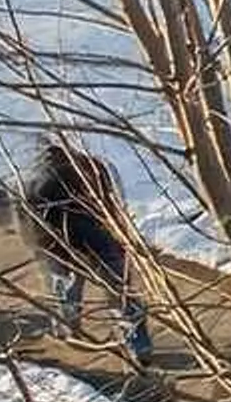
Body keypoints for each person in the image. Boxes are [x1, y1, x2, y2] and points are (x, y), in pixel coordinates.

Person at [18, 138, 148, 365]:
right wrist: (121, 238)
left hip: (58, 242)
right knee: (120, 289)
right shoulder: (93, 167)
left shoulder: (28, 180)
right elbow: (112, 205)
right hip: (99, 236)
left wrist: (40, 249)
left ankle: (69, 328)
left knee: (65, 285)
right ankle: (139, 344)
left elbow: (27, 225)